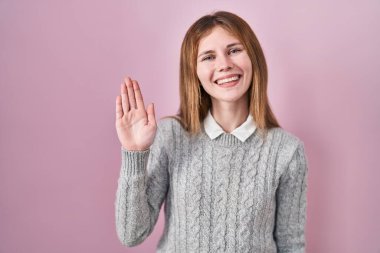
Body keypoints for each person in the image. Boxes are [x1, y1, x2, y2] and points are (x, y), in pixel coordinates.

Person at [114, 10, 308, 253]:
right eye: (208, 57)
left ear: (254, 58)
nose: (224, 65)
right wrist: (134, 153)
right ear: (193, 72)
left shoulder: (287, 151)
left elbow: (291, 245)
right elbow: (131, 234)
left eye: (234, 50)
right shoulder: (171, 136)